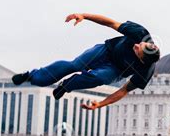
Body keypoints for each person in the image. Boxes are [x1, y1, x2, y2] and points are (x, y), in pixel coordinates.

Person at [12, 13, 160, 110]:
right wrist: (84, 15)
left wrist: (100, 104)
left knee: (100, 77)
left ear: (141, 61)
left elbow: (123, 91)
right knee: (75, 65)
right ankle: (31, 76)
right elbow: (111, 23)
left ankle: (66, 86)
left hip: (116, 70)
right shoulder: (140, 34)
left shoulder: (145, 71)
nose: (135, 45)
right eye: (139, 44)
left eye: (136, 50)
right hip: (107, 50)